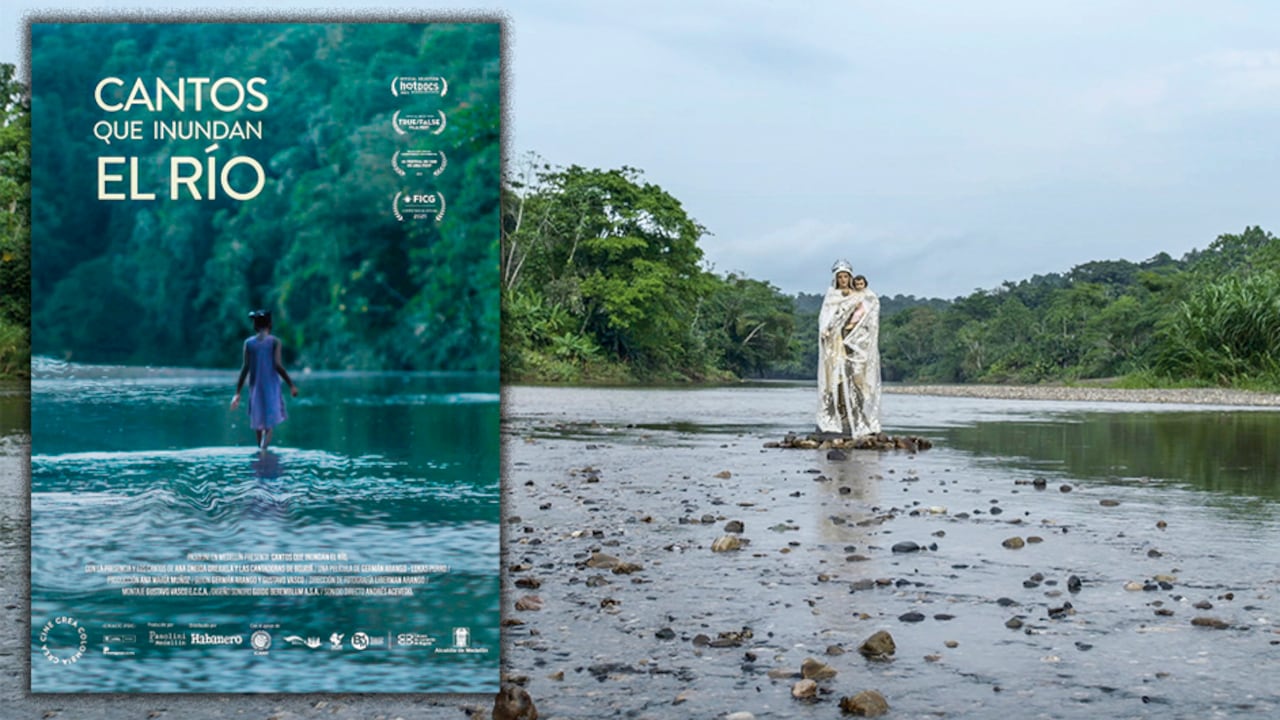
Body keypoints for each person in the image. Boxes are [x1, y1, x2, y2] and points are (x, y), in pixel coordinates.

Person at [816, 261, 882, 437]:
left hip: (854, 342)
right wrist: (826, 330)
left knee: (855, 377)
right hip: (836, 343)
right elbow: (826, 317)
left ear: (850, 278)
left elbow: (870, 307)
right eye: (840, 277)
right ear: (836, 279)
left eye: (846, 276)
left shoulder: (858, 294)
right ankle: (838, 415)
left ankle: (859, 416)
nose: (843, 280)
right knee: (836, 378)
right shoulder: (832, 295)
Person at [230, 309, 299, 451]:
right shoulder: (274, 342)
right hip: (271, 388)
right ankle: (263, 451)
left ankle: (260, 452)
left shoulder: (249, 343)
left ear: (255, 325)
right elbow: (278, 366)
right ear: (270, 324)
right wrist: (291, 384)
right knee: (269, 427)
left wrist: (237, 393)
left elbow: (245, 368)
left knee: (258, 424)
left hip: (255, 388)